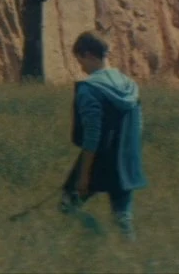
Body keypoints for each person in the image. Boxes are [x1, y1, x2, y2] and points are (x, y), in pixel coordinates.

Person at [59, 31, 146, 240]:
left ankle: (95, 234)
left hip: (97, 161)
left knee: (67, 205)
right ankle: (131, 251)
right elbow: (139, 127)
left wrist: (84, 176)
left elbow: (92, 136)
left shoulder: (89, 89)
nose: (81, 67)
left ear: (88, 55)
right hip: (126, 161)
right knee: (123, 218)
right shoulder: (130, 85)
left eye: (80, 60)